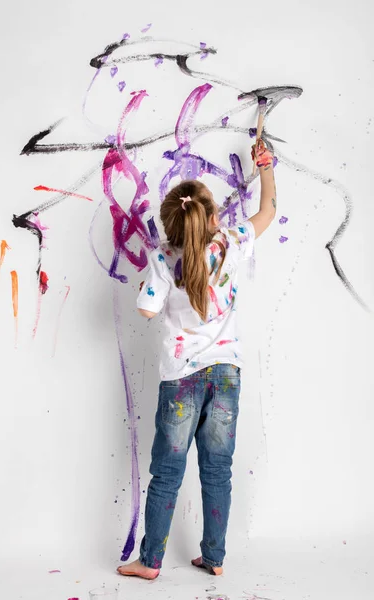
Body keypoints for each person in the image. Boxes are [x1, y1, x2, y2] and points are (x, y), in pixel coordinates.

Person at [117, 140, 276, 579]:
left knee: (167, 472)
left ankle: (150, 563)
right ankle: (216, 558)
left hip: (181, 378)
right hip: (227, 374)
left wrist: (157, 290)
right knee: (217, 470)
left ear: (172, 224)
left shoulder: (165, 259)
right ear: (211, 218)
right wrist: (265, 167)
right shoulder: (231, 242)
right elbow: (267, 212)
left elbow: (147, 309)